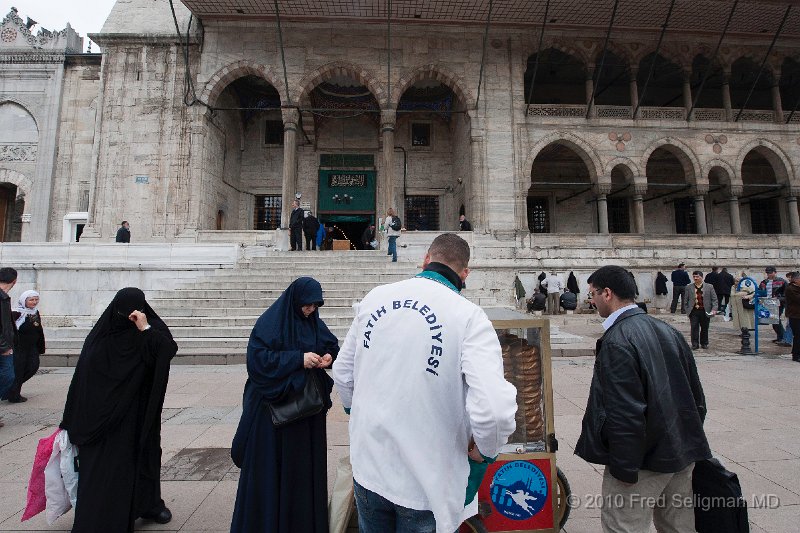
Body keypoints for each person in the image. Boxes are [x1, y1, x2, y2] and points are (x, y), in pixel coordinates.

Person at [332, 234, 517, 533]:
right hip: (426, 482)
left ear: (425, 259)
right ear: (465, 273)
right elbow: (495, 410)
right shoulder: (468, 317)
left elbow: (342, 371)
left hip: (370, 467)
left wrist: (359, 414)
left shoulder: (375, 298)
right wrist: (486, 450)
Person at [575, 265, 711, 533]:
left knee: (624, 525)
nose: (590, 300)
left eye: (592, 293)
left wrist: (624, 468)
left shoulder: (618, 340)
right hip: (680, 451)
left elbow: (624, 411)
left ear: (607, 293)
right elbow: (696, 397)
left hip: (643, 460)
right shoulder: (667, 330)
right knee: (678, 527)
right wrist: (686, 440)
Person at [60, 287, 178, 531]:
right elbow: (83, 383)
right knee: (110, 469)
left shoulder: (147, 332)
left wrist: (145, 329)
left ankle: (149, 504)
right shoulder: (102, 338)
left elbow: (167, 350)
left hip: (139, 413)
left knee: (144, 458)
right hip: (105, 421)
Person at [231, 277, 339, 533]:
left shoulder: (313, 323)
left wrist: (328, 357)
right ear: (295, 300)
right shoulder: (269, 324)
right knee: (272, 473)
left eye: (315, 305)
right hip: (274, 416)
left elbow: (330, 344)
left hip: (305, 414)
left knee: (301, 476)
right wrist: (298, 359)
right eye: (307, 305)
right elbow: (258, 361)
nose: (310, 310)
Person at [5, 290, 44, 403]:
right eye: (31, 300)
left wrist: (40, 345)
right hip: (19, 347)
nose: (34, 302)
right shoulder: (16, 313)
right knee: (19, 369)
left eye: (36, 299)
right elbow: (9, 329)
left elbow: (38, 329)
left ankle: (12, 388)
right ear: (24, 301)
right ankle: (14, 394)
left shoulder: (34, 312)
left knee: (32, 367)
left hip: (32, 347)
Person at [683, 271, 718, 349]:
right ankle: (695, 344)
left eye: (697, 277)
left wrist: (714, 309)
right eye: (694, 277)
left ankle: (704, 343)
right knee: (694, 327)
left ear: (702, 277)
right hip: (694, 311)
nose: (695, 278)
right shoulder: (689, 287)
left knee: (705, 327)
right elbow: (685, 300)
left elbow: (714, 299)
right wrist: (687, 310)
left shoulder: (709, 287)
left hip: (705, 310)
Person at [0, 268, 17, 426]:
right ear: (14, 281)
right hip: (3, 347)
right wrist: (5, 347)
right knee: (8, 376)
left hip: (5, 344)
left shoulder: (4, 297)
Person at [759, 266, 787, 343]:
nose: (769, 274)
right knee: (773, 321)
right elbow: (760, 292)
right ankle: (780, 337)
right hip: (767, 303)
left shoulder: (782, 282)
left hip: (778, 304)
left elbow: (786, 295)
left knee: (776, 320)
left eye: (771, 273)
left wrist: (778, 299)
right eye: (768, 273)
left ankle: (783, 337)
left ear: (775, 272)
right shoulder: (764, 282)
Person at [785, 272, 800, 362]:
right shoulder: (790, 289)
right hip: (795, 316)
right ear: (796, 280)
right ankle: (796, 355)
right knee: (798, 336)